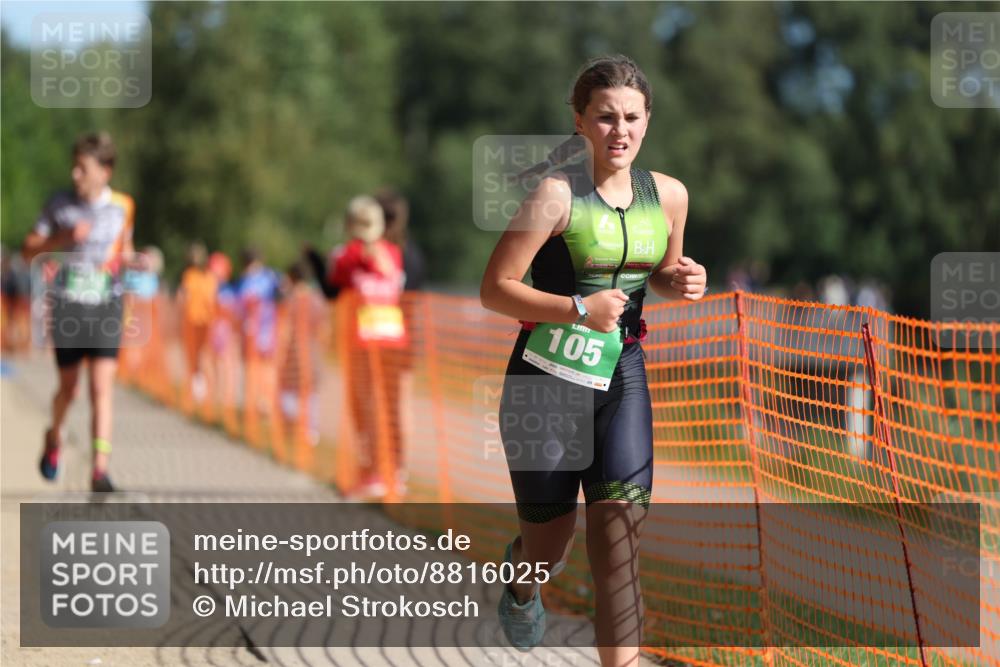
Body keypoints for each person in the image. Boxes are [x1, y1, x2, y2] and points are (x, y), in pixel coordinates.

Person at [479, 55, 707, 664]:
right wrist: (578, 310)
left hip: (622, 377)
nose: (620, 130)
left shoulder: (670, 196)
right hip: (544, 383)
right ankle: (523, 582)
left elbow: (659, 274)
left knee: (618, 552)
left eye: (632, 117)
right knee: (548, 549)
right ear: (579, 121)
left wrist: (682, 280)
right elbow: (495, 289)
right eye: (605, 117)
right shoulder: (555, 195)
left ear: (648, 119)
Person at [22, 132, 136, 493]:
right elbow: (28, 249)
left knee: (102, 388)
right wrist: (61, 238)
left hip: (106, 304)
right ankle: (54, 435)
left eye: (83, 168)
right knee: (69, 390)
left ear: (105, 171)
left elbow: (124, 249)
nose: (75, 175)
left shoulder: (123, 206)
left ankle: (99, 470)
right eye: (74, 167)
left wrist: (133, 261)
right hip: (69, 304)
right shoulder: (59, 204)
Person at [328, 195, 407, 498]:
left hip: (368, 341)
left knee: (369, 407)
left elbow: (335, 277)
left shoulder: (349, 254)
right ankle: (385, 469)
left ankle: (379, 470)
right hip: (390, 338)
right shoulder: (392, 253)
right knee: (382, 407)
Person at [177, 242, 218, 404]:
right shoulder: (200, 276)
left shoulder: (198, 276)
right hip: (197, 321)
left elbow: (184, 297)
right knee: (198, 357)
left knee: (201, 357)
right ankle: (200, 391)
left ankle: (205, 391)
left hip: (201, 321)